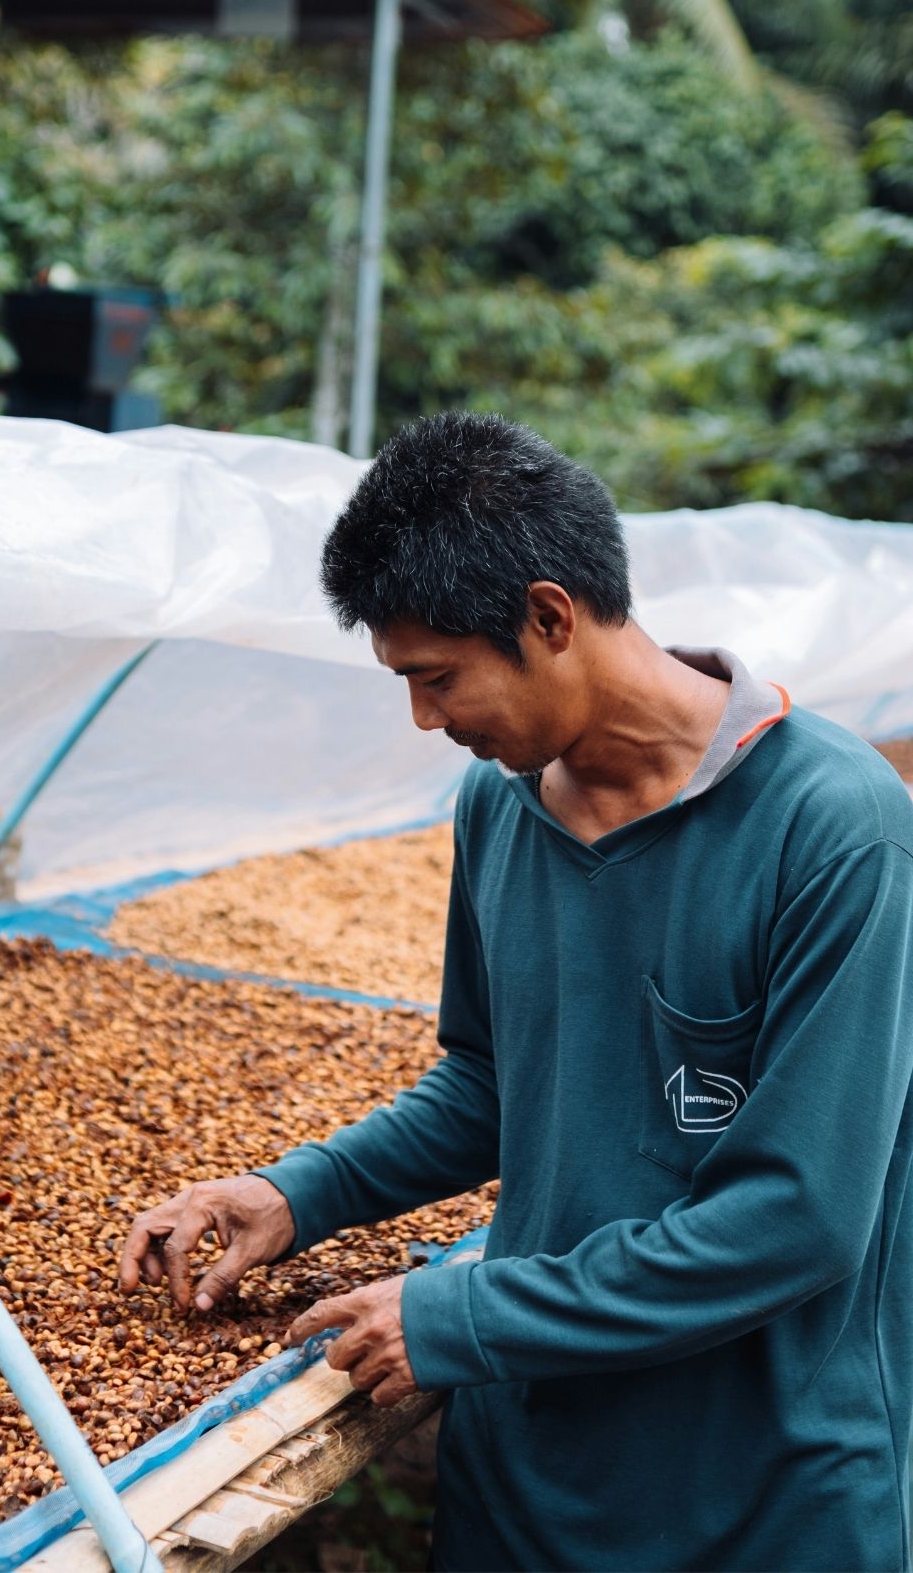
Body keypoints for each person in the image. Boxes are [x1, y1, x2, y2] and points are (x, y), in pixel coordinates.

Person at [120, 412, 913, 1573]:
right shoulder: (500, 805)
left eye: (436, 677)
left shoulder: (834, 828)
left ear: (549, 617)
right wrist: (297, 1191)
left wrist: (463, 1314)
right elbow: (494, 1078)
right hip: (528, 1481)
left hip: (761, 1493)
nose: (424, 718)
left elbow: (795, 1217)